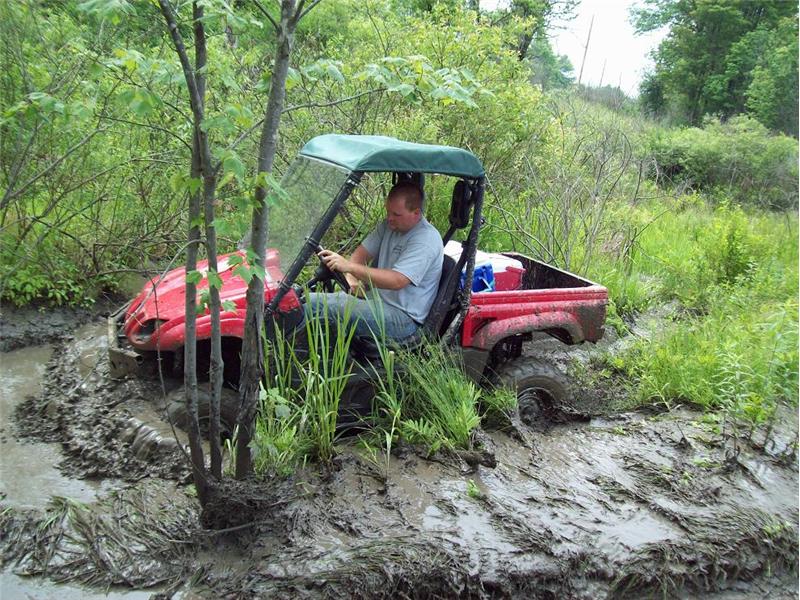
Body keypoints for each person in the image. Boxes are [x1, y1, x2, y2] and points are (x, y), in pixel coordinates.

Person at [305, 182, 444, 341]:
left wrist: (349, 267)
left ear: (416, 213)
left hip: (402, 318)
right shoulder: (390, 225)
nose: (389, 218)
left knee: (316, 307)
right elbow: (360, 255)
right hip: (376, 302)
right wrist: (351, 280)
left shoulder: (425, 240)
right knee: (306, 300)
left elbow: (397, 280)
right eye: (388, 212)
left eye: (396, 214)